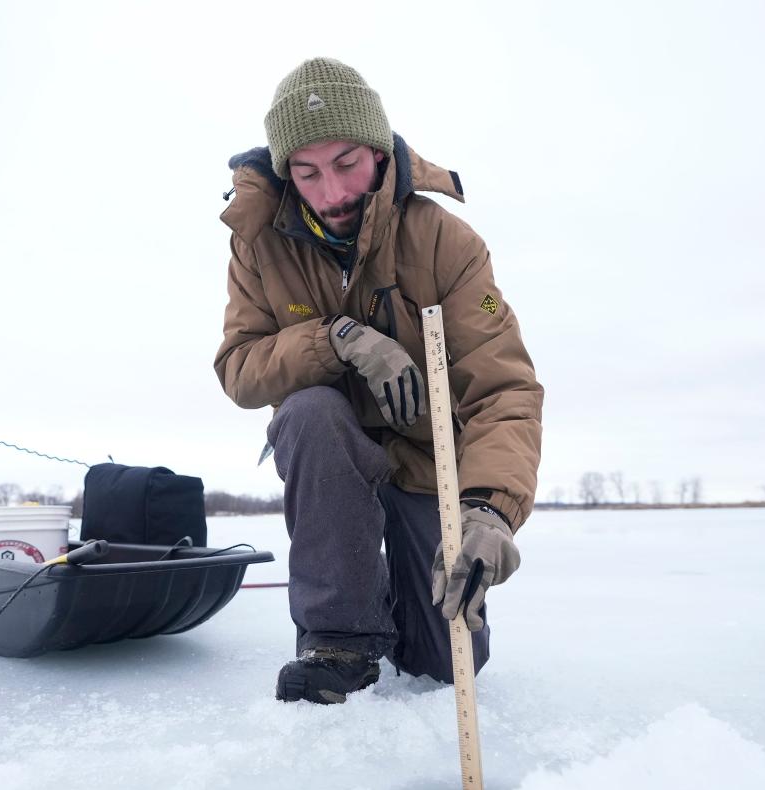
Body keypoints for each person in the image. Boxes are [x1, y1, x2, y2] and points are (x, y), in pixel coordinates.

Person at [214, 58, 543, 704]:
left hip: (426, 461)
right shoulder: (258, 243)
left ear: (377, 151)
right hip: (333, 456)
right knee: (308, 411)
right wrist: (335, 338)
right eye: (305, 173)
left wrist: (490, 508)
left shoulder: (446, 243)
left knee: (446, 664)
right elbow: (240, 368)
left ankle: (395, 589)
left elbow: (504, 388)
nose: (330, 192)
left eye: (345, 164)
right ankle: (340, 634)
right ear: (285, 174)